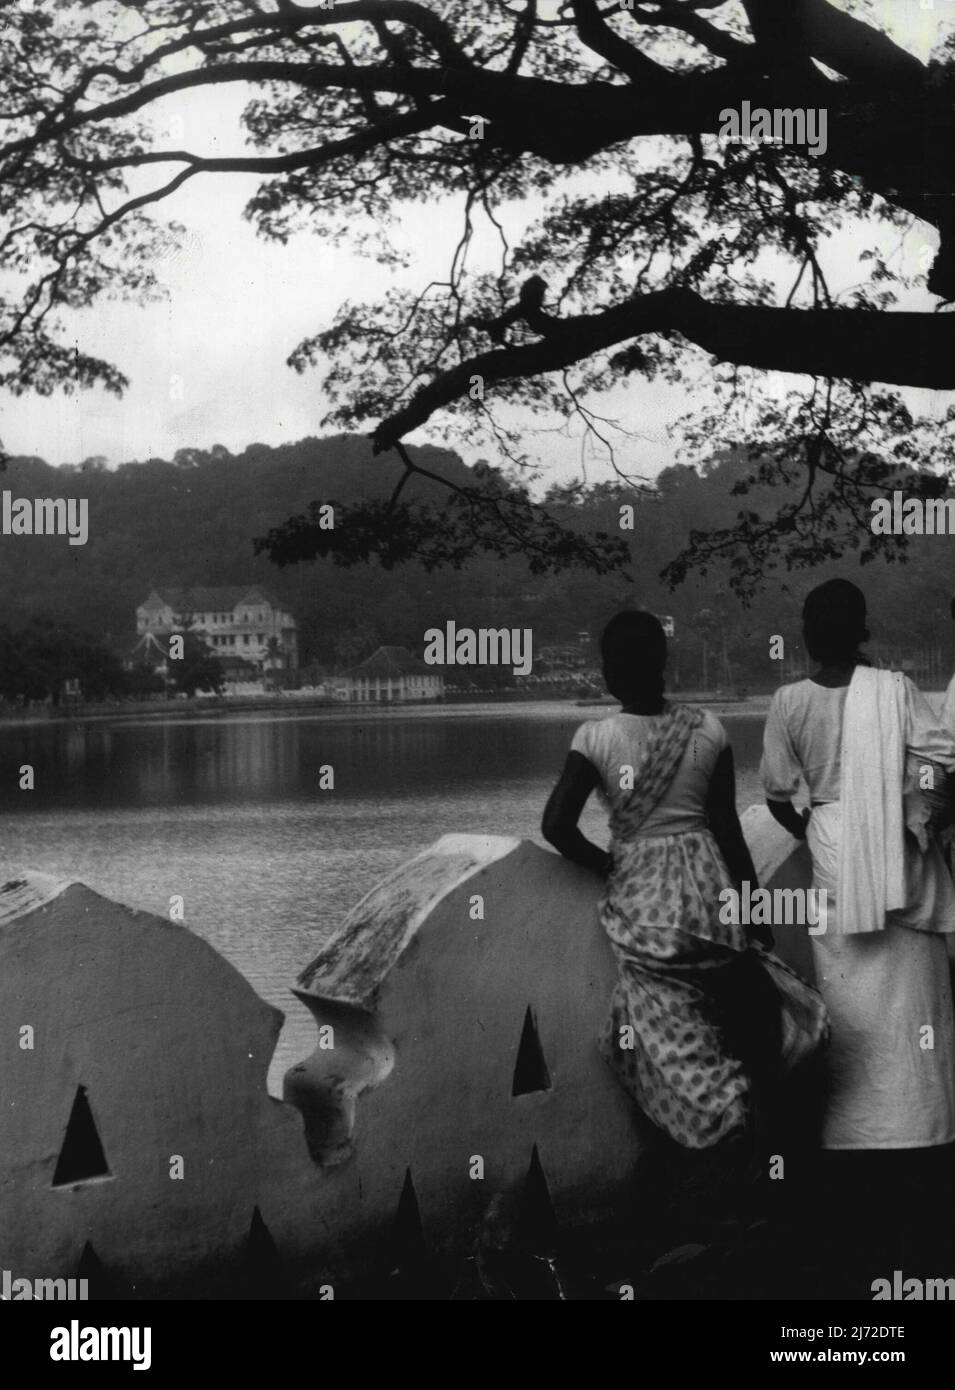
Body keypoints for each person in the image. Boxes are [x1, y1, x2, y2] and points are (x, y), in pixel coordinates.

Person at [542, 613, 824, 1267]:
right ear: (664, 663)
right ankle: (755, 1185)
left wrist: (606, 863)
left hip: (646, 904)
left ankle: (717, 1166)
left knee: (658, 1045)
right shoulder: (707, 730)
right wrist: (752, 913)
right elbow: (726, 829)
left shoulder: (597, 736)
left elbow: (556, 826)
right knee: (739, 1028)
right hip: (709, 899)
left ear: (610, 670)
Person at [761, 578, 955, 1296]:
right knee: (915, 1016)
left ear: (808, 635)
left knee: (848, 1018)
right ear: (862, 627)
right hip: (897, 864)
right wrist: (912, 813)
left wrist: (823, 833)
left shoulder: (788, 701)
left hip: (835, 864)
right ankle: (926, 1140)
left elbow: (779, 795)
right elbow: (938, 761)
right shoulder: (894, 688)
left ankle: (851, 1151)